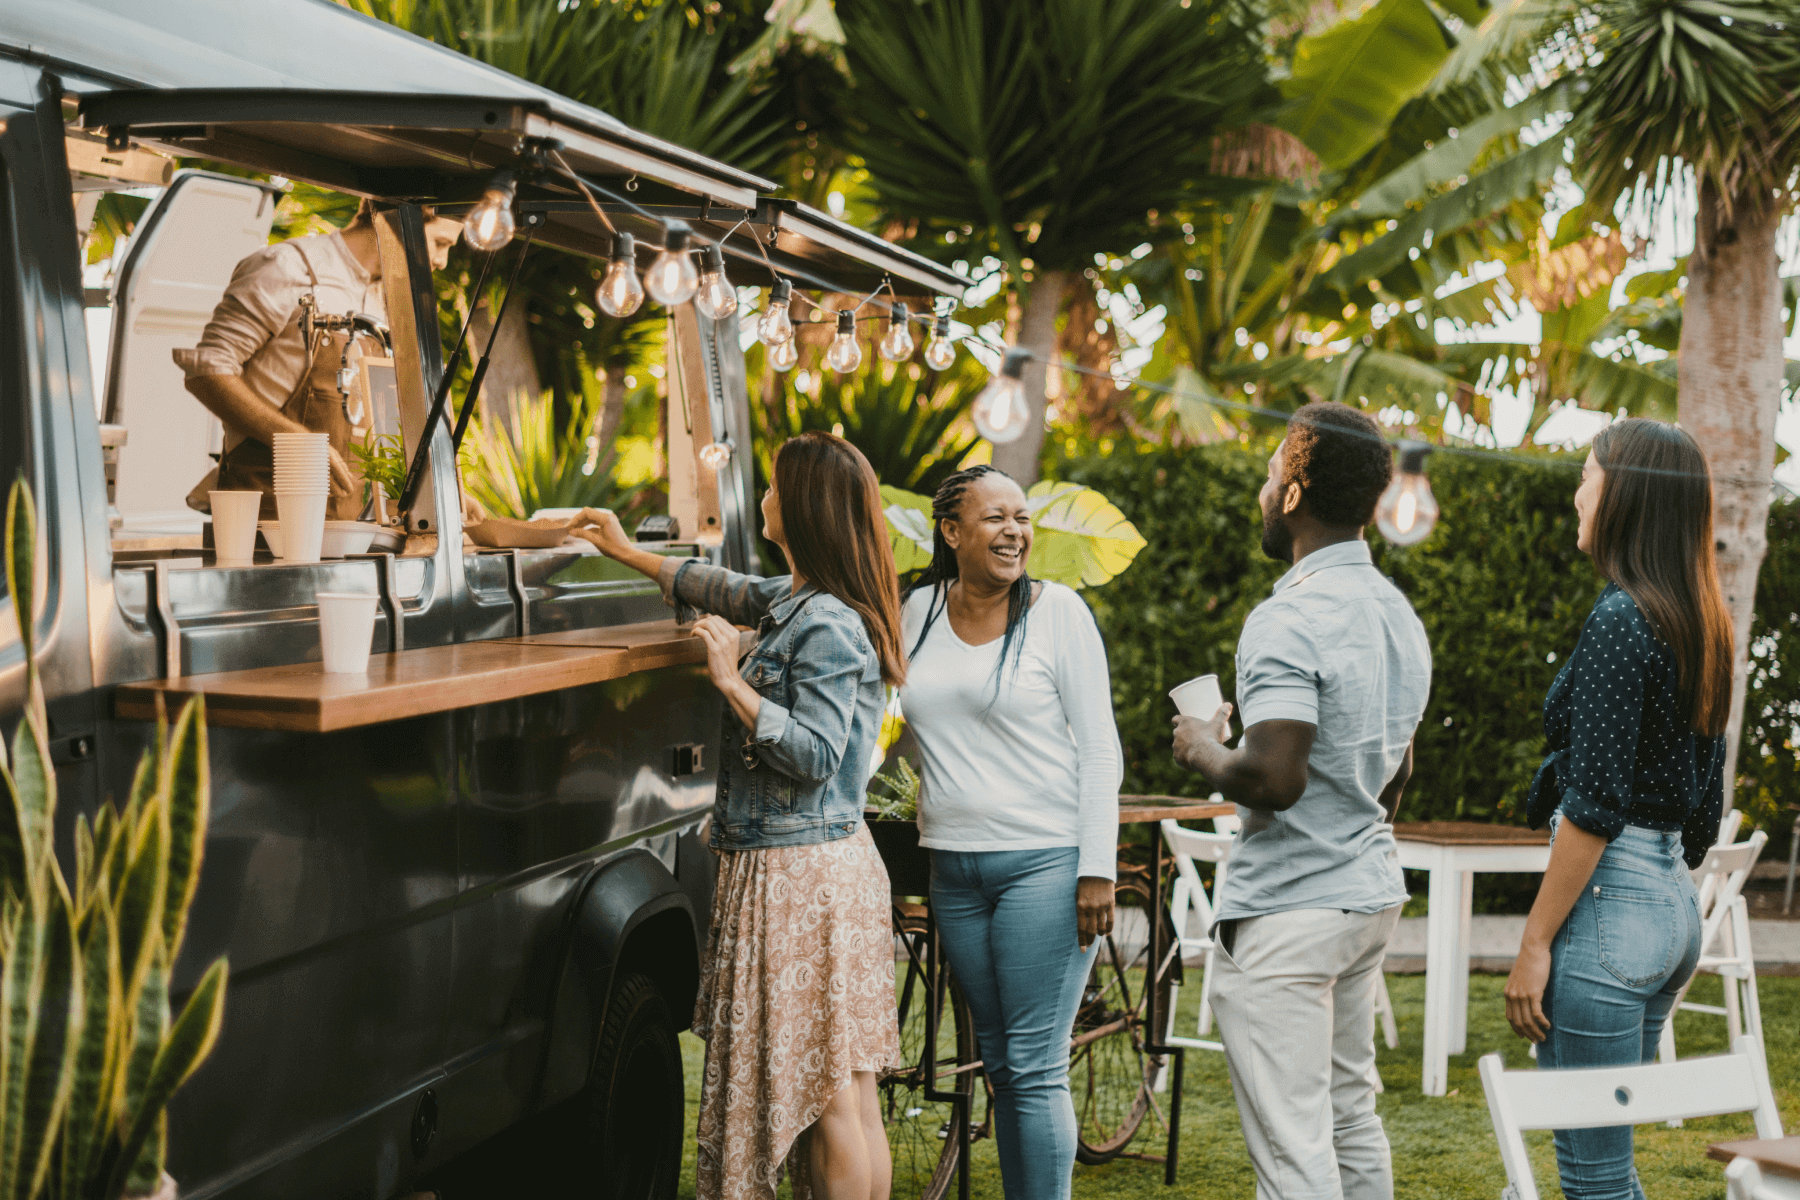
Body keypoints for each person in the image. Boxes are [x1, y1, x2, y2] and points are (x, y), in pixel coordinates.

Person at [575, 431, 904, 1200]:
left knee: (830, 1100)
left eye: (776, 487)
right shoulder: (801, 601)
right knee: (843, 1089)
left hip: (803, 874)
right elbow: (722, 588)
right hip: (815, 866)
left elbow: (817, 753)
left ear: (806, 509)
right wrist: (628, 552)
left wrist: (731, 681)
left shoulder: (827, 622)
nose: (764, 498)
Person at [1171, 401, 1431, 1200]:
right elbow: (1398, 769)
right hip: (1365, 896)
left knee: (1292, 1151)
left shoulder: (1287, 617)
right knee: (1351, 1114)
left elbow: (1275, 780)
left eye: (1272, 469)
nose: (1262, 485)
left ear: (1291, 494)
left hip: (1289, 914)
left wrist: (1202, 746)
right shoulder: (1399, 615)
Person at [1504, 418, 1729, 1200]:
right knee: (1609, 1166)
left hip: (1610, 911)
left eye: (1587, 475)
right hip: (1672, 913)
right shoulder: (1701, 622)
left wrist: (1535, 942)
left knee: (1593, 1179)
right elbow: (1703, 818)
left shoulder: (1618, 619)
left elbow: (1593, 807)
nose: (1576, 492)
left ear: (1624, 494)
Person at [894, 464, 1122, 1200]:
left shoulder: (1058, 614)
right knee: (998, 1064)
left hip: (1045, 868)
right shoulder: (917, 611)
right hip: (953, 869)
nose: (1015, 531)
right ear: (951, 531)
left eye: (1022, 517)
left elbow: (1099, 748)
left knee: (1032, 1065)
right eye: (995, 518)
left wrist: (1098, 869)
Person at [175, 199, 467, 521]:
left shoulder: (389, 299)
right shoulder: (288, 266)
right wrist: (298, 441)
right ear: (397, 221)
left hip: (351, 520)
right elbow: (207, 370)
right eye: (440, 243)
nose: (441, 261)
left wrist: (445, 489)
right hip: (268, 515)